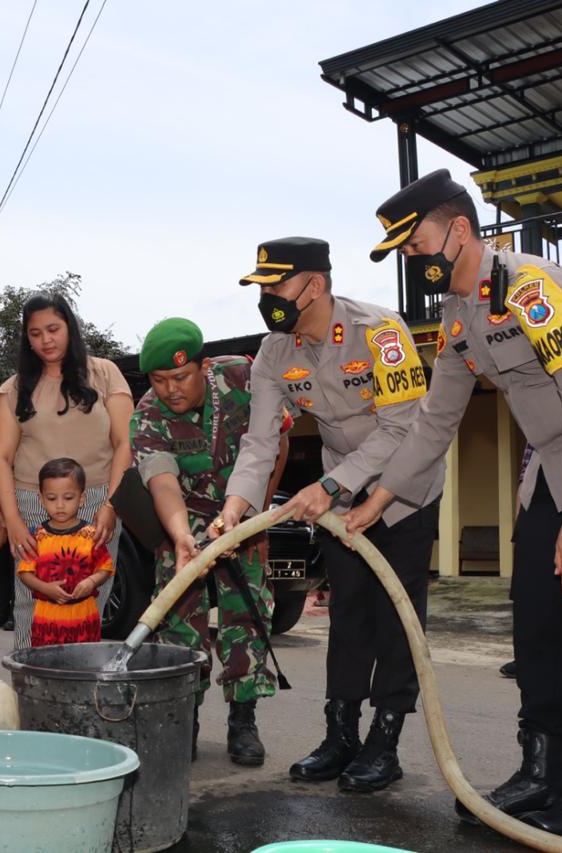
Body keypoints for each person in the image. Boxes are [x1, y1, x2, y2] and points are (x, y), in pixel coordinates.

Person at [345, 169, 562, 842]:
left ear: (460, 230)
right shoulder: (458, 318)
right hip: (559, 462)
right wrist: (378, 498)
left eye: (417, 245)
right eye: (403, 253)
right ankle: (543, 771)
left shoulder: (530, 286)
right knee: (537, 613)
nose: (413, 260)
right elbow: (434, 423)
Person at [212, 237, 444, 792]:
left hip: (405, 487)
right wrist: (234, 508)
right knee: (350, 615)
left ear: (313, 285)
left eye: (275, 285)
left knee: (397, 618)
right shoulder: (274, 351)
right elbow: (260, 443)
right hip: (341, 493)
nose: (267, 296)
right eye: (262, 287)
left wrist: (330, 485)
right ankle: (340, 736)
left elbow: (402, 429)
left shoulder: (381, 332)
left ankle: (384, 744)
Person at [130, 317, 290, 766]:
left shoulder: (242, 376)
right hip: (184, 515)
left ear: (202, 366)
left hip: (246, 511)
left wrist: (256, 521)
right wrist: (181, 538)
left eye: (180, 377)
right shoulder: (147, 415)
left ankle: (243, 718)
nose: (170, 390)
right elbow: (161, 483)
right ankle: (187, 719)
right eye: (159, 380)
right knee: (178, 618)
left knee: (249, 609)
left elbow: (278, 441)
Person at [0, 292, 133, 649]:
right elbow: (0, 457)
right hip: (32, 505)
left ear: (70, 326)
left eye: (53, 329)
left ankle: (81, 689)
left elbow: (125, 445)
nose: (45, 340)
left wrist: (111, 506)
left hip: (98, 500)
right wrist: (13, 519)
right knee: (30, 601)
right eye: (35, 333)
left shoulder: (106, 373)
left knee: (91, 597)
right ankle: (31, 687)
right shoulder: (14, 388)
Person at [17, 458, 113, 646]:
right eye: (52, 498)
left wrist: (91, 581)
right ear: (41, 500)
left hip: (84, 617)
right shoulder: (36, 537)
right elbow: (24, 573)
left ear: (82, 498)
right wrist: (45, 588)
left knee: (84, 668)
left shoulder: (91, 535)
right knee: (47, 668)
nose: (60, 505)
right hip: (47, 620)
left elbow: (106, 568)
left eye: (68, 498)